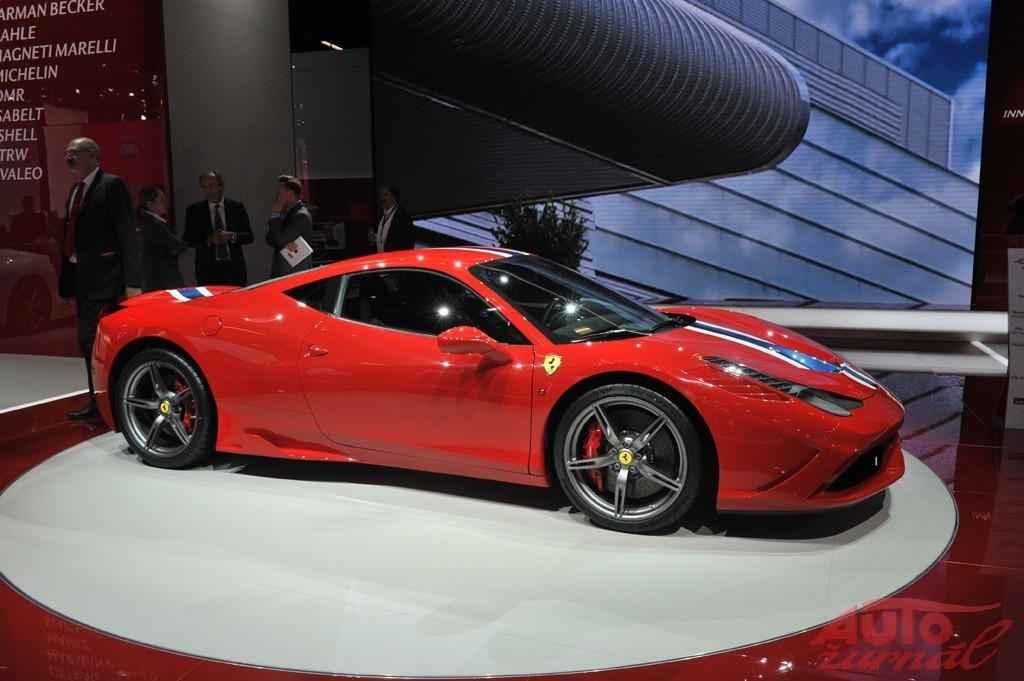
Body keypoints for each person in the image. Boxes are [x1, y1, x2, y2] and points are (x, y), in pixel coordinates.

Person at [59, 137, 142, 420]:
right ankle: (98, 401)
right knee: (90, 343)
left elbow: (127, 233)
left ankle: (108, 400)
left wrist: (133, 282)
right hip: (81, 279)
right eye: (67, 153)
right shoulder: (76, 189)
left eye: (74, 153)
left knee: (89, 340)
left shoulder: (111, 184)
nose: (68, 157)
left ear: (92, 155)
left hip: (105, 279)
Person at [183, 171, 253, 286]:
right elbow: (187, 239)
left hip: (233, 268)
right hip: (207, 270)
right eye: (204, 187)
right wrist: (208, 239)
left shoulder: (236, 208)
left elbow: (249, 237)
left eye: (212, 185)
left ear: (221, 186)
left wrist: (231, 235)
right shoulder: (194, 211)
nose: (208, 190)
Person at [138, 186, 187, 293]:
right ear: (150, 204)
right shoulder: (153, 224)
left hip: (158, 280)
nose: (167, 203)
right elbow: (180, 246)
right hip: (160, 281)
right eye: (162, 200)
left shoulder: (151, 223)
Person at [265, 175, 313, 278]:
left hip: (294, 273)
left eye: (279, 192)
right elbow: (269, 238)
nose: (276, 195)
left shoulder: (301, 216)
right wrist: (283, 243)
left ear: (291, 194)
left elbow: (278, 239)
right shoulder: (284, 212)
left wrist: (275, 215)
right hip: (282, 271)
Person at [368, 185, 414, 252]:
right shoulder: (382, 215)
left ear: (394, 197)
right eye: (381, 195)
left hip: (395, 256)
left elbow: (408, 240)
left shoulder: (403, 215)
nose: (382, 198)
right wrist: (375, 238)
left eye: (385, 195)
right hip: (382, 256)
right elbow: (386, 236)